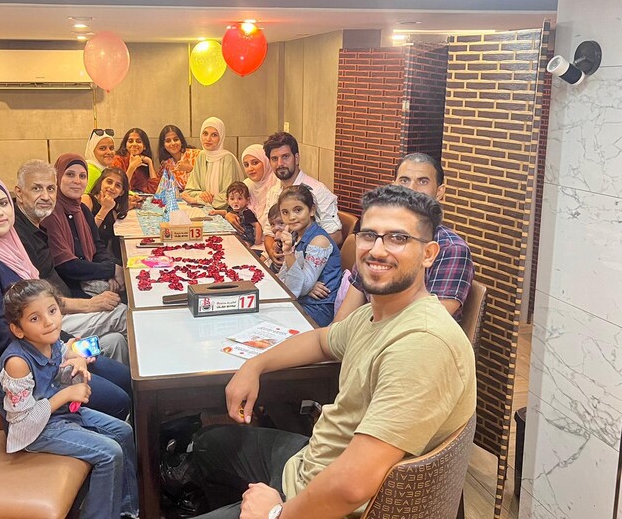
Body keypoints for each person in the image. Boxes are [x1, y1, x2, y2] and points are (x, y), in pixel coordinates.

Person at [192, 185, 476, 519]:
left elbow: (352, 486)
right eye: (369, 235)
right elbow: (320, 341)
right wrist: (254, 365)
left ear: (428, 254)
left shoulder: (422, 343)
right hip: (313, 461)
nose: (378, 250)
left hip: (326, 502)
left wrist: (275, 514)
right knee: (208, 444)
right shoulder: (377, 314)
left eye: (398, 238)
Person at [0, 173, 132, 419]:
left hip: (48, 349)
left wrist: (70, 344)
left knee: (124, 377)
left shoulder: (9, 246)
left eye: (3, 203)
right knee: (119, 399)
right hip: (27, 370)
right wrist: (61, 355)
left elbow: (40, 313)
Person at [0, 279, 138, 519]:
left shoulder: (49, 342)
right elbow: (22, 425)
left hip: (59, 416)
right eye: (35, 318)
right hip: (36, 432)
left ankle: (127, 509)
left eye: (52, 311)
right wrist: (66, 395)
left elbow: (66, 353)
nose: (49, 322)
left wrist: (79, 359)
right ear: (18, 329)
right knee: (109, 453)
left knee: (123, 431)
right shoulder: (17, 364)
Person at [333, 152, 474, 323]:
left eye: (423, 181)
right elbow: (343, 318)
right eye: (404, 180)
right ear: (394, 185)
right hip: (367, 335)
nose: (411, 189)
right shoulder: (377, 241)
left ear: (439, 192)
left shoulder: (451, 249)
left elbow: (429, 323)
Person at [13, 159, 129, 364]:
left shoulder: (41, 224)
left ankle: (126, 391)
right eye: (36, 189)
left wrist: (108, 272)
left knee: (116, 342)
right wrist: (89, 304)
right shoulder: (19, 235)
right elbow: (64, 269)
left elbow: (98, 247)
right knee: (126, 315)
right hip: (55, 329)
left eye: (50, 188)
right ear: (19, 194)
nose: (46, 196)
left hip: (63, 310)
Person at [41, 154, 126, 299]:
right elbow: (66, 266)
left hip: (91, 276)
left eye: (82, 176)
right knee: (125, 304)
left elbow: (98, 248)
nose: (77, 181)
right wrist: (111, 270)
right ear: (57, 177)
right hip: (66, 290)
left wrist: (109, 275)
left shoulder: (82, 209)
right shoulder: (50, 213)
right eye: (70, 174)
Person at [261, 132, 342, 270]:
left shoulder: (317, 191)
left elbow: (336, 236)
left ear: (296, 158)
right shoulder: (274, 191)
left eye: (285, 157)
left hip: (310, 269)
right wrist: (271, 251)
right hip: (281, 264)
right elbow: (268, 232)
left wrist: (298, 259)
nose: (280, 164)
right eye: (274, 159)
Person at [275, 185, 341, 326]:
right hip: (300, 300)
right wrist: (307, 286)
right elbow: (284, 278)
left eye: (298, 210)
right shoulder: (295, 234)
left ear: (311, 210)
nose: (291, 217)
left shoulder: (319, 241)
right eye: (285, 212)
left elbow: (299, 288)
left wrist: (288, 252)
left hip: (317, 308)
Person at [182, 117, 244, 209]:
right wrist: (202, 194)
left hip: (226, 213)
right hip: (204, 209)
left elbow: (229, 195)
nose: (208, 139)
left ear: (221, 137)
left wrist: (198, 200)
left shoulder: (227, 158)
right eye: (205, 133)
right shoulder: (202, 156)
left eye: (214, 135)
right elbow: (189, 190)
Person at [88, 166, 130, 261]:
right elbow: (86, 233)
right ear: (101, 182)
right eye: (109, 182)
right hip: (87, 256)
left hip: (103, 256)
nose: (112, 187)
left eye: (117, 185)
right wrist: (104, 209)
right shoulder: (87, 200)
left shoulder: (114, 210)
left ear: (121, 192)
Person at [210, 181, 262, 246]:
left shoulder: (247, 213)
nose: (235, 201)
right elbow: (226, 212)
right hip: (235, 236)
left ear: (247, 200)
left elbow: (256, 225)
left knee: (241, 246)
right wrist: (216, 212)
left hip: (246, 238)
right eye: (232, 199)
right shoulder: (231, 209)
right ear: (227, 201)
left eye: (240, 198)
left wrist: (257, 242)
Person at [113, 128, 160, 194]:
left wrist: (150, 163)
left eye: (138, 141)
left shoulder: (144, 162)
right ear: (126, 145)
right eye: (130, 141)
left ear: (144, 146)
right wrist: (132, 167)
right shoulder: (117, 159)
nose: (134, 144)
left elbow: (155, 190)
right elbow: (117, 188)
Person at [157, 124, 200, 191]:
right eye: (168, 141)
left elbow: (208, 178)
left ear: (181, 141)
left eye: (176, 139)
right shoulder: (166, 165)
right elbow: (159, 188)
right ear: (163, 146)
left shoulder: (196, 155)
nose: (173, 143)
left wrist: (190, 169)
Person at [241, 144, 278, 219]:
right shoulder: (246, 185)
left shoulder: (278, 184)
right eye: (246, 165)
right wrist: (229, 215)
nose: (250, 169)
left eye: (255, 163)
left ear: (266, 162)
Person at [83, 127, 117, 192]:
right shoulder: (91, 170)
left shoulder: (103, 169)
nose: (109, 152)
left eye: (111, 148)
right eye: (102, 148)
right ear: (92, 151)